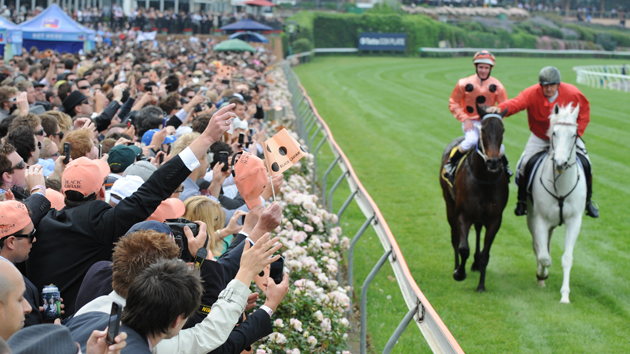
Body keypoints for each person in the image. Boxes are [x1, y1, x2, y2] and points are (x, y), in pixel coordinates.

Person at [25, 104, 237, 316]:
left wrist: (36, 191)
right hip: (84, 328)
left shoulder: (39, 221)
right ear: (101, 191)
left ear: (63, 191)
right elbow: (155, 187)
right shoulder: (103, 224)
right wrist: (206, 138)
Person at [488, 66, 599, 218]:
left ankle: (588, 202)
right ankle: (522, 201)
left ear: (558, 84)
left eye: (552, 85)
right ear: (540, 85)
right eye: (545, 85)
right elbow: (516, 103)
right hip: (540, 136)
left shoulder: (573, 93)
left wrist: (576, 133)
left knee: (587, 163)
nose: (548, 89)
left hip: (565, 138)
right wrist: (499, 109)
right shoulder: (532, 93)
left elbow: (584, 111)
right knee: (524, 164)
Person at [444, 50, 510, 184]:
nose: (483, 71)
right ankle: (450, 164)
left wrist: (495, 122)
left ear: (491, 68)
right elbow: (453, 102)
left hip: (488, 122)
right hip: (470, 121)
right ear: (476, 67)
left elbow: (504, 105)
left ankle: (506, 168)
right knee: (471, 141)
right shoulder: (463, 83)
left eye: (486, 68)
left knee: (500, 148)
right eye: (481, 67)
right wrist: (464, 118)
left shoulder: (498, 86)